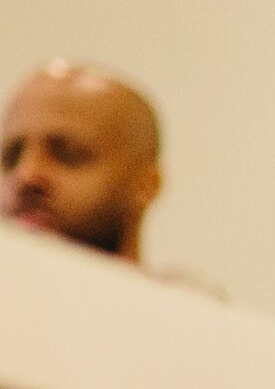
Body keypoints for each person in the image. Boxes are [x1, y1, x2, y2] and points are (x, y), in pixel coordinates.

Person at [3, 63, 166, 269]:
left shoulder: (186, 301)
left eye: (68, 155)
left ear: (146, 184)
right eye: (10, 158)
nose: (26, 175)